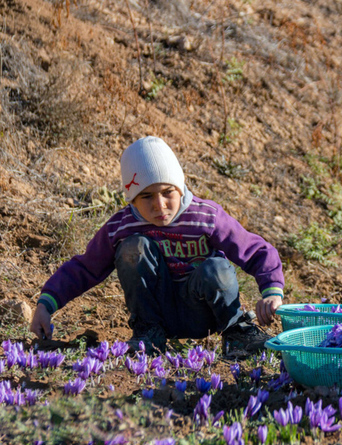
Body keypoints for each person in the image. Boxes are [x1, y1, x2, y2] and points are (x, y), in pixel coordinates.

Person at [29, 136, 285, 357]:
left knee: (216, 268)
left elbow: (254, 250)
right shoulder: (121, 226)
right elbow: (85, 267)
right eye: (147, 196)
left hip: (202, 312)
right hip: (157, 313)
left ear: (180, 187)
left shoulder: (205, 216)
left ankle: (235, 332)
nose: (159, 205)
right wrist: (46, 304)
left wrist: (272, 290)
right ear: (131, 198)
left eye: (167, 192)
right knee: (133, 247)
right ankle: (148, 334)